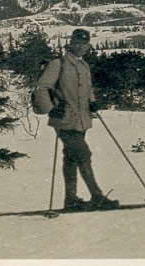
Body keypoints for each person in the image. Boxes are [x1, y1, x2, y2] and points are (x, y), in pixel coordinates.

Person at [33, 28, 120, 212]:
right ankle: (97, 197)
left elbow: (87, 89)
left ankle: (71, 200)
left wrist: (93, 102)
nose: (81, 46)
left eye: (84, 43)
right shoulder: (59, 64)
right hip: (64, 120)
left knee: (72, 158)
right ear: (70, 43)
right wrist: (50, 109)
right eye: (77, 42)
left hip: (81, 120)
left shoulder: (83, 66)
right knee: (83, 154)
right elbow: (41, 88)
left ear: (88, 45)